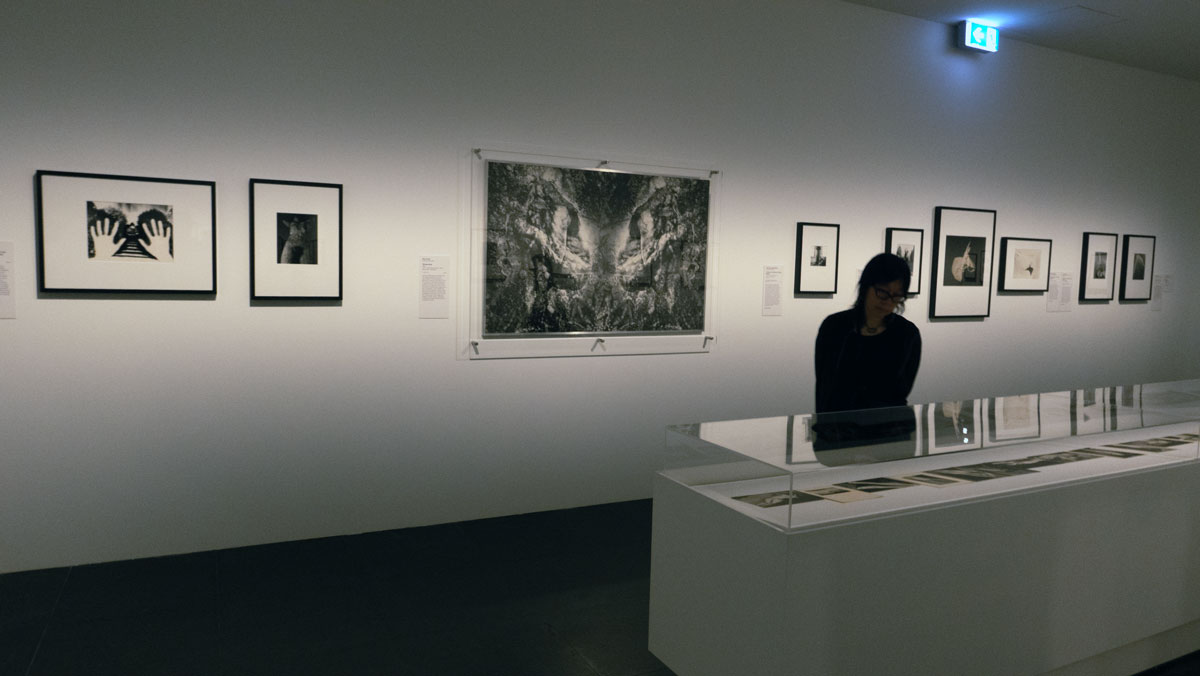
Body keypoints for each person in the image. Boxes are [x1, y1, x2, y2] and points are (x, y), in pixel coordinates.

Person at [814, 252, 921, 413]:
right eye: (882, 292)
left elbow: (901, 391)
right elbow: (824, 387)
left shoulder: (907, 334)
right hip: (837, 425)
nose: (888, 301)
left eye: (896, 295)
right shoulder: (834, 327)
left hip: (888, 424)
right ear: (866, 287)